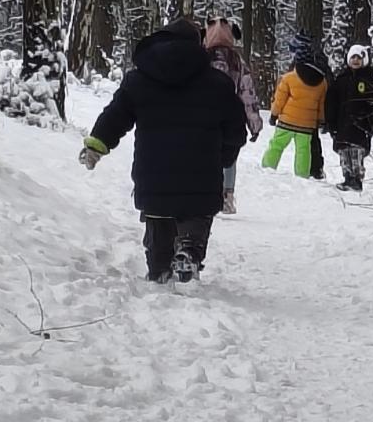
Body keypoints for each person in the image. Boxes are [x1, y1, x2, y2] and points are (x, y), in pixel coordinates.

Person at [78, 18, 247, 283]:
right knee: (196, 215)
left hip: (154, 175)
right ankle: (189, 250)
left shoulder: (138, 80)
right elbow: (236, 129)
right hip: (201, 176)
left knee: (158, 224)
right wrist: (224, 157)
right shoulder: (218, 83)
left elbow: (115, 116)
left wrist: (96, 144)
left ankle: (159, 267)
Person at [204, 15, 263, 214]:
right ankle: (227, 196)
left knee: (204, 154)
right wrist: (254, 124)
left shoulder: (200, 59)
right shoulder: (237, 62)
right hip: (231, 117)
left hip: (204, 116)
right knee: (229, 157)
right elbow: (247, 94)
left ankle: (206, 192)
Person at [261, 47, 327, 178]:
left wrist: (274, 114)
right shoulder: (322, 82)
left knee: (277, 145)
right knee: (304, 151)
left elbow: (279, 100)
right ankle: (302, 174)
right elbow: (321, 104)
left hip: (287, 121)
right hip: (307, 124)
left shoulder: (288, 78)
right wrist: (321, 120)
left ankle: (268, 166)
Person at [325, 44, 373, 191]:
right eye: (353, 57)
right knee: (344, 152)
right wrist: (331, 124)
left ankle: (356, 179)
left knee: (357, 153)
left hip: (361, 126)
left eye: (359, 58)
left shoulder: (370, 79)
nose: (355, 60)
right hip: (342, 124)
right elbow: (331, 103)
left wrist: (370, 124)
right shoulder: (341, 79)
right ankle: (347, 177)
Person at [288, 30, 334, 179]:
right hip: (313, 107)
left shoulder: (304, 62)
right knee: (311, 138)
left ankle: (313, 168)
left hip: (307, 108)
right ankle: (315, 168)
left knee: (308, 139)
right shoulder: (318, 60)